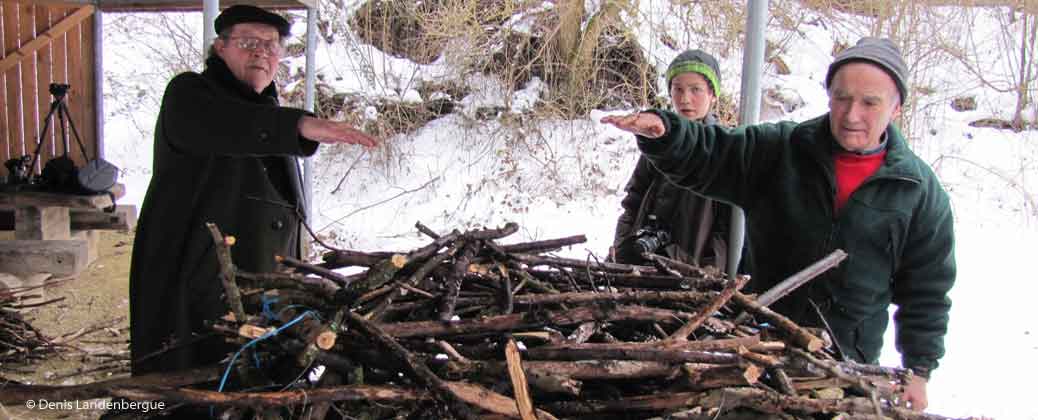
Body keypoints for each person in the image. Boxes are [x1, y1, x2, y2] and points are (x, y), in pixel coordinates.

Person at [601, 37, 954, 411]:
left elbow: (927, 290)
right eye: (842, 98)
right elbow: (713, 150)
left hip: (845, 364)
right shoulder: (782, 149)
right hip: (757, 349)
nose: (852, 115)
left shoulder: (918, 191)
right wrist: (669, 133)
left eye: (870, 102)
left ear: (896, 107)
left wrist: (919, 368)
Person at [129, 4, 377, 380]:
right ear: (220, 48)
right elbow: (227, 126)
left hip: (263, 293)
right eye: (248, 42)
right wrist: (301, 126)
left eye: (271, 45)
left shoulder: (270, 111)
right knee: (193, 391)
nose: (261, 51)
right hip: (197, 292)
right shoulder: (190, 94)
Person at [612, 49, 747, 274]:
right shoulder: (657, 141)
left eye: (696, 90)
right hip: (640, 262)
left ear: (713, 94)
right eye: (678, 89)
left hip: (688, 272)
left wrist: (706, 271)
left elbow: (727, 231)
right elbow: (633, 200)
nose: (685, 99)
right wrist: (621, 246)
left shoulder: (723, 150)